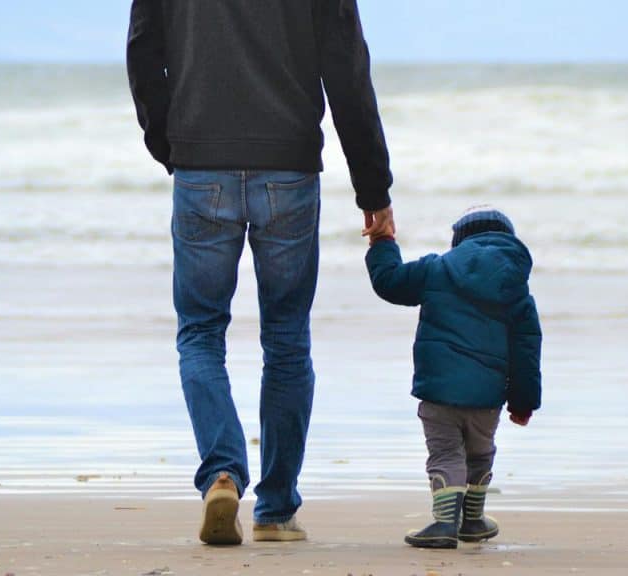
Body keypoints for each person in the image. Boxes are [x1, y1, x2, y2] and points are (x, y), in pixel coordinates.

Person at [126, 0, 394, 545]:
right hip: (289, 167)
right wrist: (373, 187)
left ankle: (223, 473)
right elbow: (346, 68)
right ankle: (274, 510)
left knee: (201, 334)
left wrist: (170, 143)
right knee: (287, 339)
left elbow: (142, 53)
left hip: (201, 163)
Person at [364, 205, 542, 549]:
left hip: (439, 392)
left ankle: (445, 522)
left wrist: (383, 240)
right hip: (487, 398)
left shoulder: (436, 270)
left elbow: (388, 281)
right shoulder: (515, 288)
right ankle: (472, 521)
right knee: (479, 453)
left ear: (459, 241)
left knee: (445, 453)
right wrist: (523, 401)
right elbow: (527, 349)